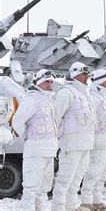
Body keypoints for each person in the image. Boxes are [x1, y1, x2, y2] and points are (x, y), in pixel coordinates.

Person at [52, 62, 96, 211]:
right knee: (64, 180)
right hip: (71, 145)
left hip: (85, 144)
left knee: (76, 181)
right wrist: (56, 141)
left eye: (87, 74)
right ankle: (58, 208)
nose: (87, 77)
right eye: (84, 74)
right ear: (75, 74)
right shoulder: (66, 93)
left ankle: (71, 207)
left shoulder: (85, 93)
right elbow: (55, 118)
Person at [12, 69, 58, 211]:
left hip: (50, 150)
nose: (49, 84)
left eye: (51, 82)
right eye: (46, 82)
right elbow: (18, 121)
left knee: (44, 187)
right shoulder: (31, 99)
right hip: (36, 149)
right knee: (31, 187)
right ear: (39, 82)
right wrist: (22, 135)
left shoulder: (50, 99)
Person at [80, 70, 106, 210]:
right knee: (93, 172)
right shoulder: (94, 98)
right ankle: (86, 201)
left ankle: (97, 200)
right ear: (100, 80)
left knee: (104, 172)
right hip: (99, 141)